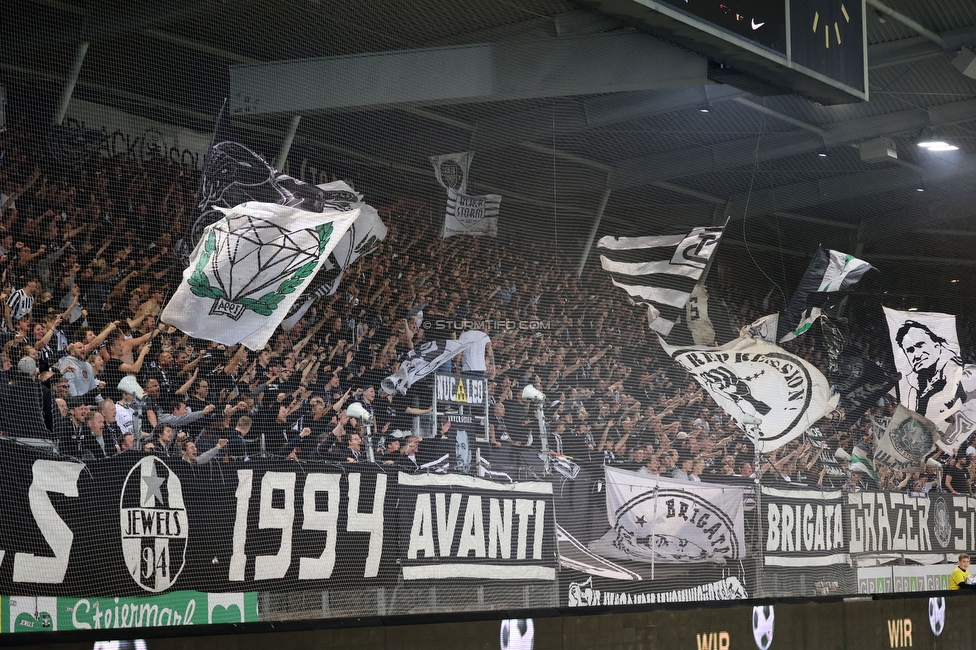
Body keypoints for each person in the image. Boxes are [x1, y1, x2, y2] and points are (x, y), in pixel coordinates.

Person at [895, 321, 965, 421]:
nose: (917, 355)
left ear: (937, 345)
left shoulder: (951, 366)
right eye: (910, 350)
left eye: (920, 345)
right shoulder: (914, 379)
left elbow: (948, 396)